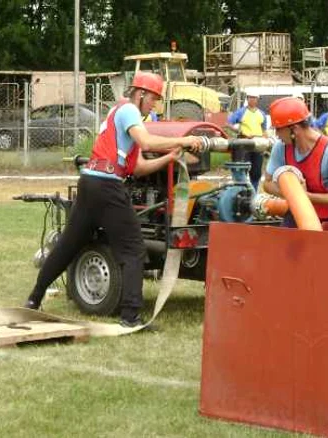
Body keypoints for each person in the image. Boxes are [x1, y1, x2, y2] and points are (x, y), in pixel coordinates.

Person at [24, 72, 203, 327]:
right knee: (133, 250)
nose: (154, 105)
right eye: (153, 98)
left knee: (68, 245)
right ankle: (130, 316)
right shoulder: (129, 109)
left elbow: (138, 167)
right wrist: (184, 140)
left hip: (90, 183)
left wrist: (170, 158)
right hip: (107, 186)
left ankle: (33, 299)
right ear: (140, 94)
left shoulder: (120, 113)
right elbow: (146, 140)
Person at [263, 97, 328, 228]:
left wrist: (304, 196)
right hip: (294, 215)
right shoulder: (280, 147)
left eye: (279, 129)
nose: (276, 135)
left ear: (294, 129)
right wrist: (292, 193)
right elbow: (267, 183)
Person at [227, 91, 268, 190]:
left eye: (254, 98)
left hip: (258, 145)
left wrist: (265, 142)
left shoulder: (261, 114)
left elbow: (264, 130)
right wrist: (238, 130)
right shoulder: (241, 112)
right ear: (247, 99)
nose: (252, 100)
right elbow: (228, 123)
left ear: (257, 100)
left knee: (256, 171)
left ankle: (254, 191)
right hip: (244, 143)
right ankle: (242, 191)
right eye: (250, 97)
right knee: (242, 169)